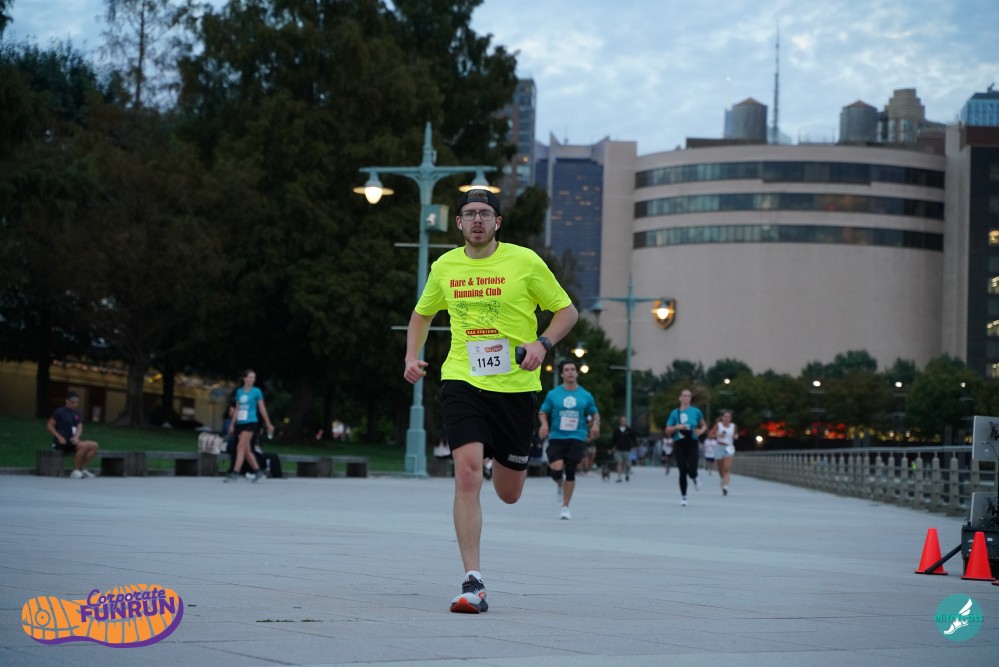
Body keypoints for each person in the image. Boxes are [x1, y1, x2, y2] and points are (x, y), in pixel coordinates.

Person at [404, 188, 578, 614]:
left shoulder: (524, 261)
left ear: (498, 222)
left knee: (509, 492)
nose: (477, 220)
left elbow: (567, 311)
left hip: (516, 387)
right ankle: (473, 581)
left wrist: (542, 344)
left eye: (485, 213)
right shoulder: (445, 266)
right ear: (459, 223)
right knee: (467, 475)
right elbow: (422, 314)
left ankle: (503, 456)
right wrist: (411, 356)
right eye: (469, 214)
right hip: (462, 379)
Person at [538, 360, 601, 518]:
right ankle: (560, 484)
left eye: (573, 369)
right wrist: (544, 424)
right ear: (561, 374)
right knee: (556, 470)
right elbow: (543, 411)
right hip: (557, 436)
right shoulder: (553, 394)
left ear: (577, 373)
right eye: (566, 370)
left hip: (577, 436)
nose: (570, 372)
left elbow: (594, 412)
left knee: (571, 469)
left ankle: (565, 507)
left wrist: (596, 424)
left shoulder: (585, 395)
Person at [224, 369, 275, 483]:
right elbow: (237, 409)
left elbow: (262, 408)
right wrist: (232, 424)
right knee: (246, 450)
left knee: (240, 447)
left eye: (254, 377)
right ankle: (258, 471)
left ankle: (235, 473)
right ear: (245, 378)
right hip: (240, 422)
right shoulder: (239, 392)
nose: (252, 379)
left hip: (251, 422)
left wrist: (268, 423)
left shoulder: (256, 392)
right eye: (250, 377)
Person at [664, 388, 707, 506]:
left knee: (692, 469)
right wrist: (676, 427)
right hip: (679, 443)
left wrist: (700, 431)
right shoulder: (674, 413)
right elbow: (667, 430)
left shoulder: (696, 411)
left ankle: (694, 477)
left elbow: (704, 425)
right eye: (684, 395)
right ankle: (684, 496)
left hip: (692, 442)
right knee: (682, 470)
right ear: (680, 398)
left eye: (688, 396)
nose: (686, 398)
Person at [47, 391, 99, 479]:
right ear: (67, 401)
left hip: (72, 440)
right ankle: (75, 471)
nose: (75, 405)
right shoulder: (59, 412)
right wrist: (59, 437)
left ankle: (82, 469)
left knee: (94, 445)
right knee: (83, 446)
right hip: (62, 441)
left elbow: (79, 427)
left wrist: (76, 437)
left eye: (77, 403)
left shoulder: (77, 413)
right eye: (73, 403)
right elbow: (49, 425)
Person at [710, 410, 737, 495]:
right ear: (722, 418)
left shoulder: (733, 426)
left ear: (730, 418)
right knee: (720, 468)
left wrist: (736, 436)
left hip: (729, 447)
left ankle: (725, 487)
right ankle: (723, 480)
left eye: (728, 417)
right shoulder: (718, 425)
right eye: (725, 417)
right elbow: (710, 434)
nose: (727, 418)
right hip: (720, 446)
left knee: (726, 468)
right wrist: (718, 435)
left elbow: (735, 435)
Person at [610, 415, 637, 482]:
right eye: (622, 421)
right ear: (620, 422)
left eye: (624, 421)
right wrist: (611, 447)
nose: (623, 422)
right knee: (619, 463)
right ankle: (619, 477)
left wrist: (634, 446)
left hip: (627, 450)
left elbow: (633, 439)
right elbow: (613, 440)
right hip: (618, 449)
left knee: (628, 464)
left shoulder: (629, 430)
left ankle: (627, 473)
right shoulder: (617, 430)